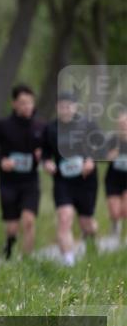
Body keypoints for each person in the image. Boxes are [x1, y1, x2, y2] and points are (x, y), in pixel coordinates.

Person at [41, 91, 106, 266]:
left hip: (86, 180)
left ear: (76, 107)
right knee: (64, 217)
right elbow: (45, 154)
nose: (65, 110)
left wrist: (91, 160)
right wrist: (46, 163)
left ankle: (91, 240)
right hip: (63, 181)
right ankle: (69, 262)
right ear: (57, 108)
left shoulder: (88, 125)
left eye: (69, 106)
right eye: (62, 107)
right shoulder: (50, 129)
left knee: (87, 223)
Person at [0, 84, 45, 260]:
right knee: (12, 226)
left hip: (30, 181)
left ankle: (27, 261)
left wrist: (42, 154)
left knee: (28, 220)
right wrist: (2, 160)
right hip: (8, 181)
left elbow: (49, 148)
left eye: (29, 103)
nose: (27, 107)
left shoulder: (40, 127)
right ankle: (10, 242)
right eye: (22, 103)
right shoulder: (3, 125)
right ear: (14, 104)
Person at [105, 107, 127, 244]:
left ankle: (122, 240)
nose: (124, 125)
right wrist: (112, 154)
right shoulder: (112, 139)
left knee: (125, 210)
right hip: (113, 179)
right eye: (121, 123)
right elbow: (104, 157)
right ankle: (115, 227)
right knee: (115, 212)